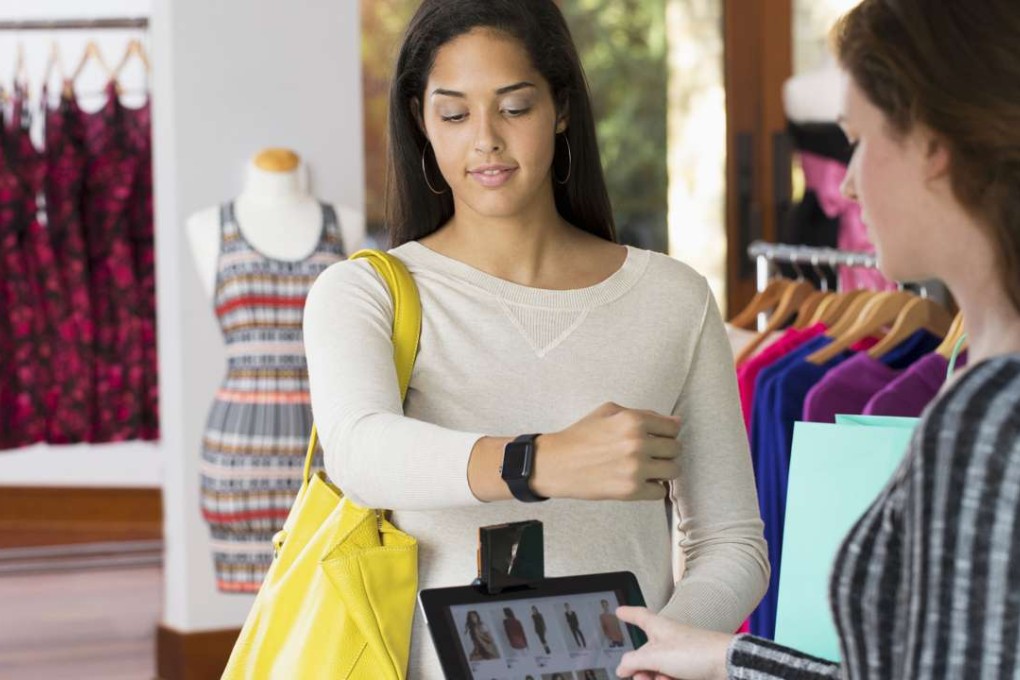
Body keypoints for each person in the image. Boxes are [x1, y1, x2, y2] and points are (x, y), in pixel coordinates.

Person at [304, 0, 768, 675]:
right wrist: (539, 463)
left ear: (562, 110)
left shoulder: (672, 299)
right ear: (421, 122)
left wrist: (655, 652)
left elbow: (731, 541)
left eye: (515, 107)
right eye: (455, 113)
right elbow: (358, 452)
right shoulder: (364, 292)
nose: (485, 139)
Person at [614, 1, 1020, 678]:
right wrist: (729, 658)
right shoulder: (980, 376)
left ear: (933, 147)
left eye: (857, 139)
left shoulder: (988, 412)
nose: (850, 183)